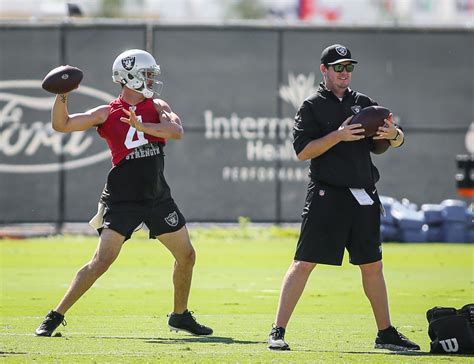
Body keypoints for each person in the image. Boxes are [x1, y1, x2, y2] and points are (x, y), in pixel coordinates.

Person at [35, 49, 212, 337]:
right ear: (130, 77)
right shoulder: (108, 113)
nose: (152, 79)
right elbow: (62, 124)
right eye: (147, 74)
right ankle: (55, 315)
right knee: (101, 261)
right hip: (123, 198)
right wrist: (63, 93)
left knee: (187, 256)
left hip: (156, 195)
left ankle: (179, 316)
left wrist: (145, 126)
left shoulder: (157, 105)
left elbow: (176, 130)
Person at [267, 44, 419, 351]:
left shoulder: (363, 103)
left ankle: (385, 333)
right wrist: (337, 135)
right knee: (304, 262)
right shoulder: (311, 106)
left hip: (363, 195)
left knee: (373, 266)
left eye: (348, 67)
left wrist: (394, 136)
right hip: (327, 194)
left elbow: (394, 135)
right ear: (324, 70)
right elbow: (302, 152)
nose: (344, 73)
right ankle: (277, 330)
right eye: (338, 67)